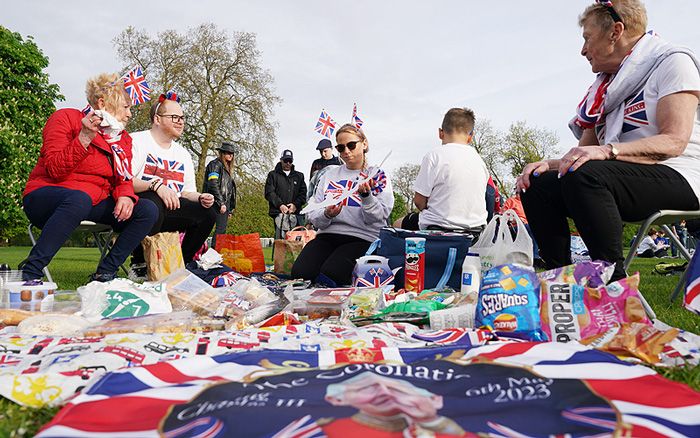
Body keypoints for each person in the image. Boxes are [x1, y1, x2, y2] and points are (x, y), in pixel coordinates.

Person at [517, 0, 700, 281]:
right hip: (622, 174)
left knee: (586, 174)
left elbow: (673, 142)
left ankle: (612, 282)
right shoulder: (605, 86)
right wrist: (547, 164)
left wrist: (607, 151)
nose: (583, 50)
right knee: (537, 183)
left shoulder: (672, 62)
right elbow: (584, 151)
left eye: (587, 38)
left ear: (615, 31)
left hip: (681, 173)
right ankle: (557, 279)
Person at [21, 73, 158, 282]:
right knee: (79, 198)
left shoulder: (122, 139)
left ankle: (105, 272)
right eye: (126, 107)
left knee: (147, 209)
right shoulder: (65, 117)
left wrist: (125, 195)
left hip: (92, 200)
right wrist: (84, 137)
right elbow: (55, 169)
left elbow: (123, 178)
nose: (130, 114)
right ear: (102, 103)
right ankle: (30, 270)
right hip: (46, 196)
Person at [292, 124, 394, 286]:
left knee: (332, 274)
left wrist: (367, 197)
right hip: (327, 235)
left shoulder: (377, 175)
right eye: (340, 147)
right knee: (301, 274)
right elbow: (314, 214)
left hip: (362, 237)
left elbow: (378, 218)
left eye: (351, 145)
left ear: (364, 144)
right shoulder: (329, 175)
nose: (346, 151)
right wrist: (327, 214)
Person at [129, 92, 216, 280]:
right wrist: (156, 185)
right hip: (139, 206)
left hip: (171, 208)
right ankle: (139, 262)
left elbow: (186, 192)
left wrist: (201, 197)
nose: (180, 122)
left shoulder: (183, 153)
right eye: (175, 117)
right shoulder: (136, 141)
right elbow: (125, 181)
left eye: (182, 118)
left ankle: (180, 266)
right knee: (153, 201)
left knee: (208, 213)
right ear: (157, 119)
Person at [393, 108, 488, 233]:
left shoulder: (434, 155)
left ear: (440, 133)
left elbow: (419, 201)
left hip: (439, 226)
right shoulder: (480, 161)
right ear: (470, 137)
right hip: (475, 229)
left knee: (397, 224)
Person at [319, 372, 467, 437]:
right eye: (367, 388)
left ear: (436, 399)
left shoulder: (459, 431)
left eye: (398, 390)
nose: (386, 393)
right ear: (337, 399)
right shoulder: (325, 429)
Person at [264, 149, 307, 238]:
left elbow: (303, 194)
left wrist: (295, 205)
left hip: (296, 215)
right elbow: (269, 192)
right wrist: (280, 205)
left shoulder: (299, 176)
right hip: (279, 215)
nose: (288, 163)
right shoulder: (273, 175)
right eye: (285, 160)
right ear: (281, 160)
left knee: (296, 246)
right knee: (280, 244)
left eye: (290, 161)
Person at [203, 141, 237, 249]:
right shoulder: (215, 165)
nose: (230, 155)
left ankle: (215, 255)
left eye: (232, 153)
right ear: (222, 153)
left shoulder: (227, 169)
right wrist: (221, 202)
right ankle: (211, 254)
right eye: (227, 153)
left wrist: (230, 209)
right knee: (211, 230)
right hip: (214, 202)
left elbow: (230, 190)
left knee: (221, 231)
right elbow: (213, 184)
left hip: (223, 204)